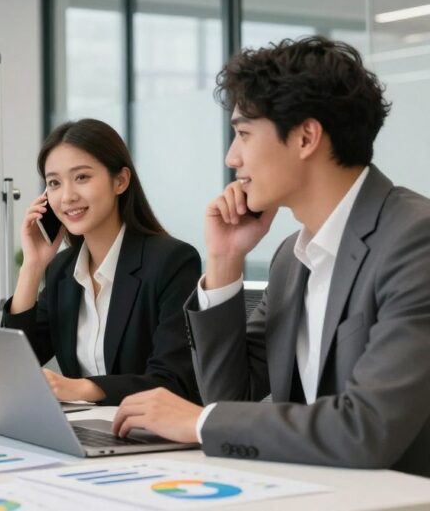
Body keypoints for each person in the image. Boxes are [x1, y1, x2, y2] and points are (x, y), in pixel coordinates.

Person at [111, 36, 430, 477]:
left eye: (243, 134)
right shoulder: (291, 258)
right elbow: (230, 398)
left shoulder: (415, 240)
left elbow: (368, 428)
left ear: (305, 137)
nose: (231, 158)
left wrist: (198, 422)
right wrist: (224, 261)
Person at [2, 119, 201, 406]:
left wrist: (80, 389)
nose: (67, 196)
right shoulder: (62, 271)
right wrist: (32, 267)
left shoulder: (171, 262)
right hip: (87, 429)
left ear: (120, 181)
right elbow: (14, 365)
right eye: (54, 183)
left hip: (151, 434)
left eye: (82, 177)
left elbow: (172, 380)